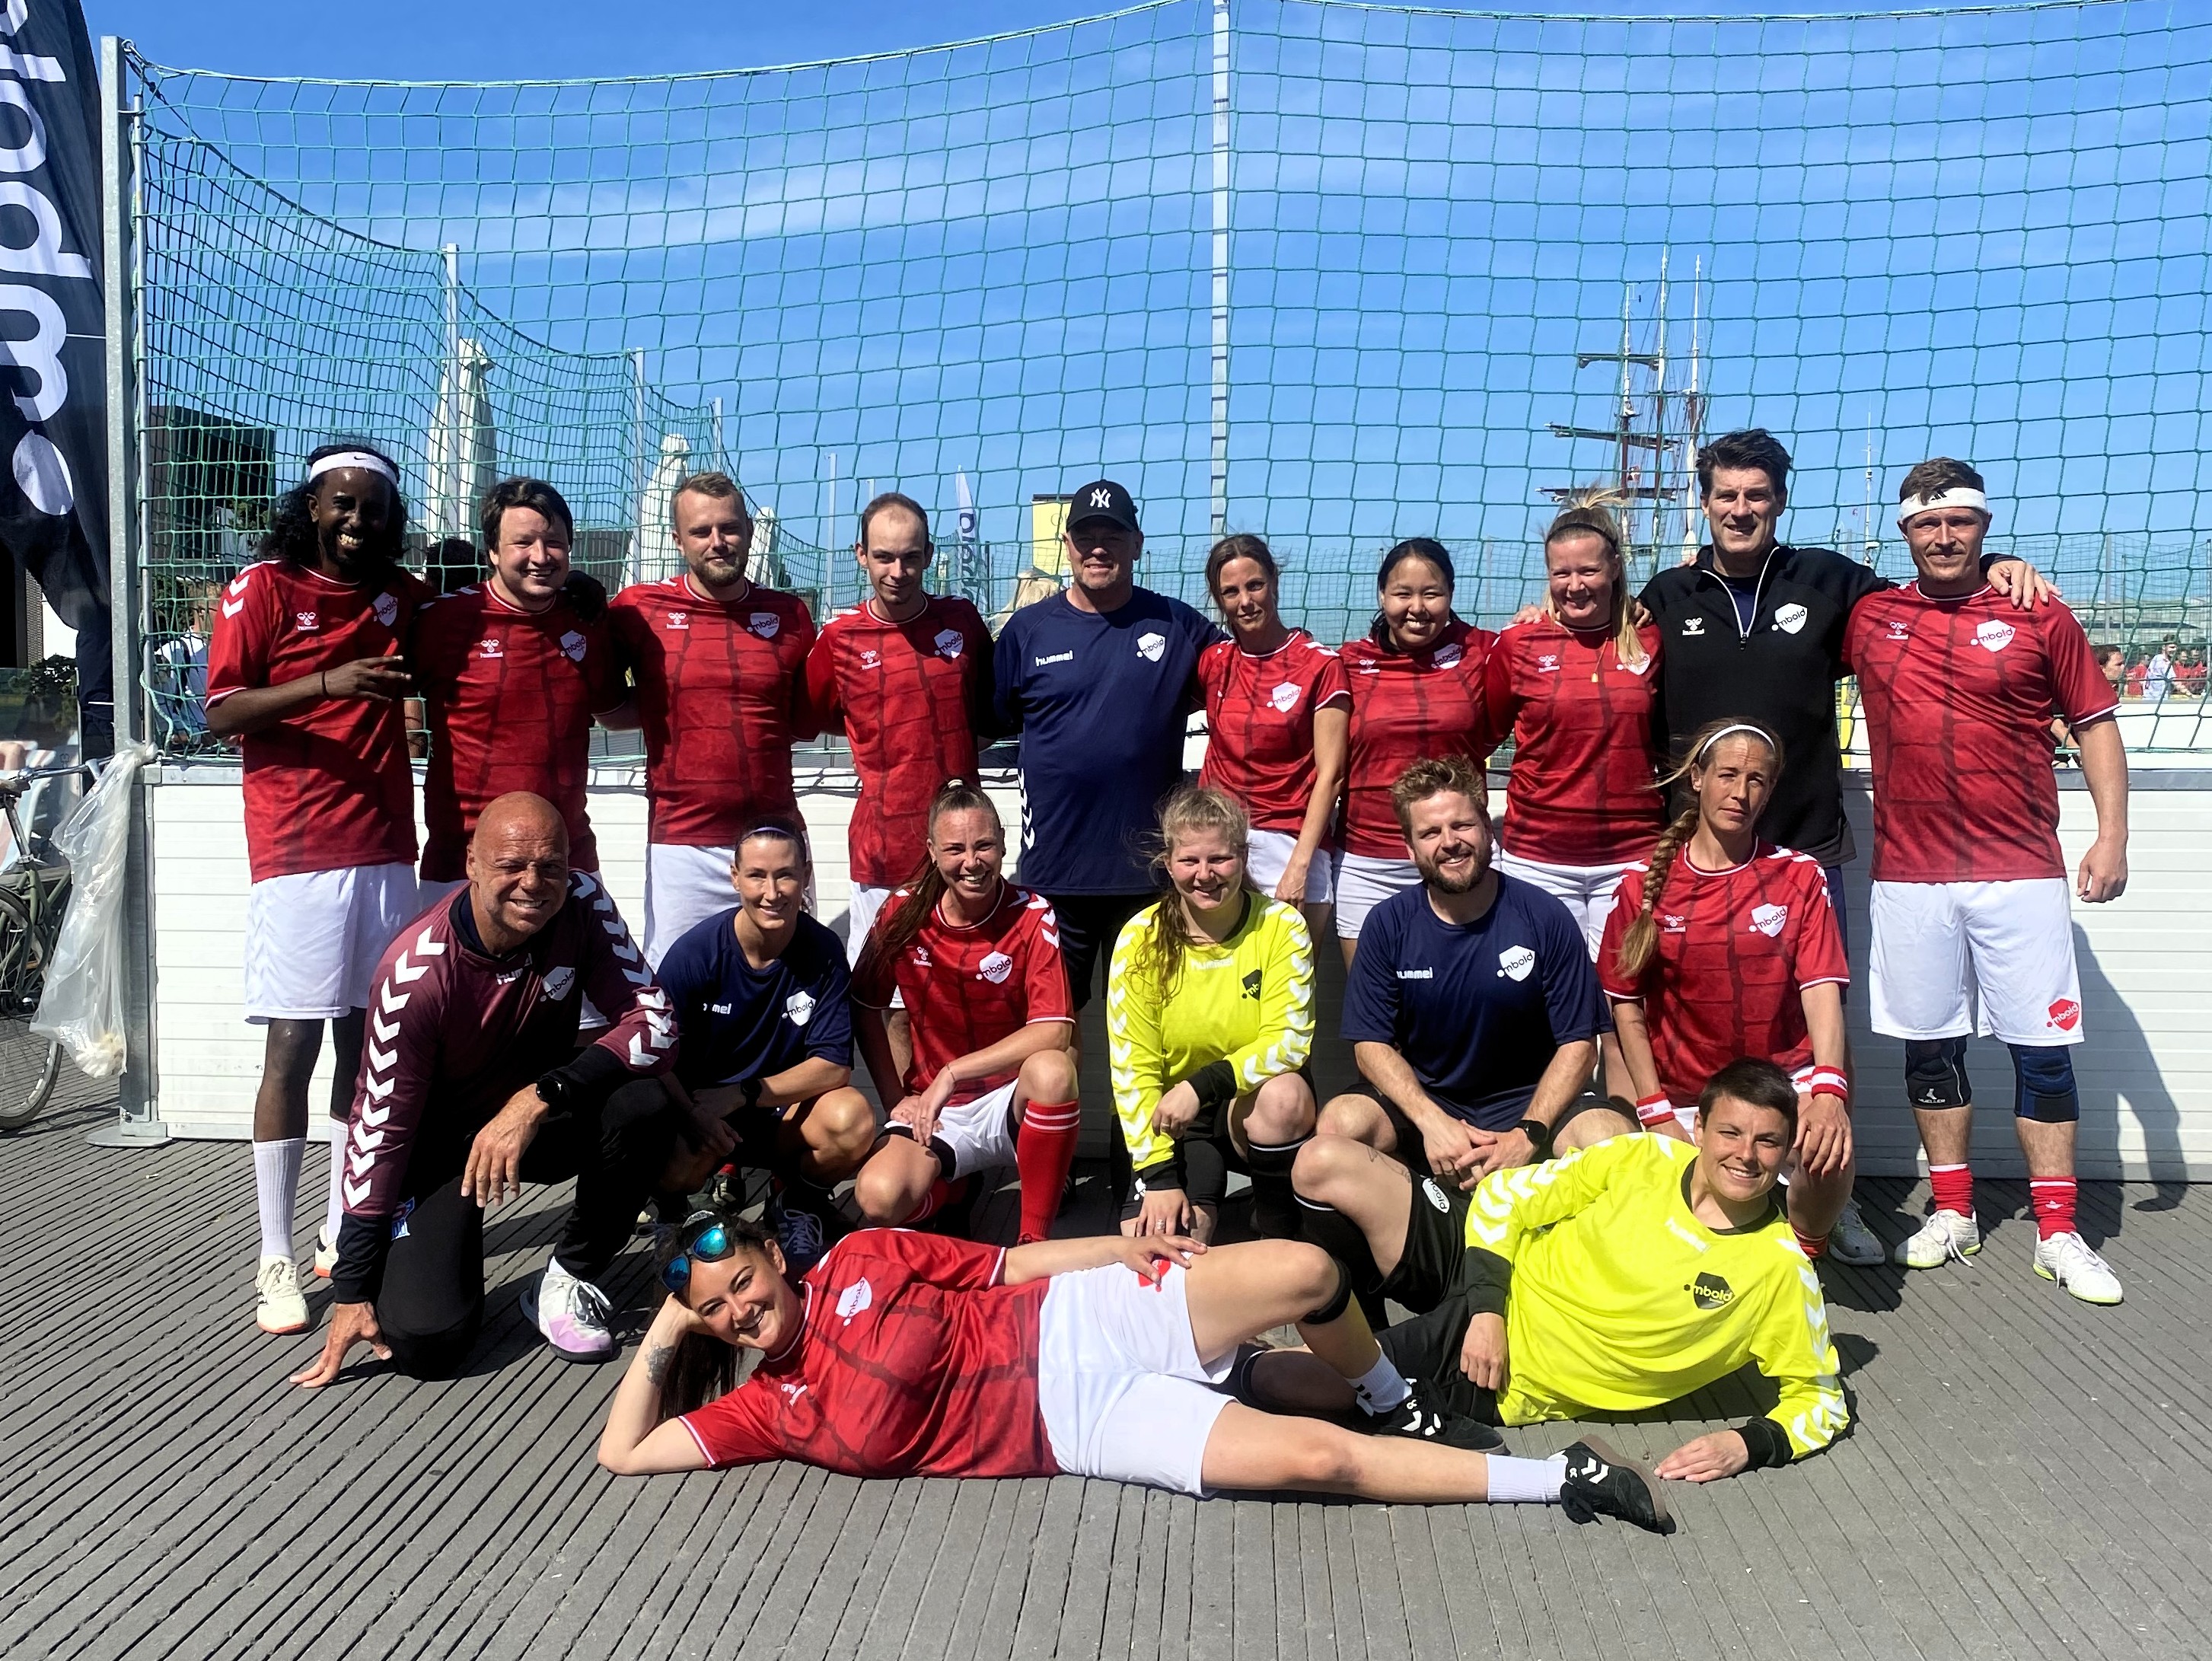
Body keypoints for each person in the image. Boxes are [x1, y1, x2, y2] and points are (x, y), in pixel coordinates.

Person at [593, 1209, 1675, 1531]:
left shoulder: (867, 1255)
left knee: (1304, 1270)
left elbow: (1011, 1263)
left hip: (1079, 1314)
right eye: (716, 1307)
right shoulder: (766, 1408)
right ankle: (1562, 1477)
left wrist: (1121, 1248)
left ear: (774, 1256)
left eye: (742, 1281)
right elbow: (623, 1452)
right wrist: (666, 1327)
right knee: (1314, 1460)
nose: (740, 1308)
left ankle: (1398, 1402)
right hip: (1080, 1426)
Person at [1277, 1060, 1848, 1484]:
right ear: (1698, 1128)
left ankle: (1255, 1363)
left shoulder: (1779, 1267)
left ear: (1787, 1151)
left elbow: (1822, 1403)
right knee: (1325, 1159)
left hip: (1507, 1371)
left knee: (1297, 1382)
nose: (1746, 1155)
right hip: (1487, 1267)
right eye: (1730, 1133)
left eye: (1767, 1142)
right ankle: (1354, 1328)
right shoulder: (1645, 1155)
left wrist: (1748, 1443)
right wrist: (1487, 1309)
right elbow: (1503, 1196)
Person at [1845, 460, 2130, 1304]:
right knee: (1930, 1048)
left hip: (2020, 871)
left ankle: (2057, 1230)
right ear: (1905, 531)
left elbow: (2094, 724)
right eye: (1926, 524)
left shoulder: (2036, 610)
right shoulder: (1869, 616)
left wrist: (2111, 835)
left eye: (1960, 522)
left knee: (2042, 1053)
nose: (1944, 537)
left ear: (1984, 525)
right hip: (1910, 877)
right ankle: (1953, 1211)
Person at [292, 793, 693, 1382]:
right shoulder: (415, 974)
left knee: (642, 1102)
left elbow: (658, 1027)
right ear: (472, 866)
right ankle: (434, 1256)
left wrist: (539, 1097)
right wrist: (352, 1285)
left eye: (550, 866)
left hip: (535, 1119)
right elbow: (380, 1130)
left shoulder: (583, 901)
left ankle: (568, 1277)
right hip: (443, 1150)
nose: (533, 883)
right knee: (426, 1345)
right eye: (512, 865)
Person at [1636, 429, 2049, 937]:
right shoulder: (1667, 595)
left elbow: (1927, 599)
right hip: (1695, 851)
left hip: (1805, 850)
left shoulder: (1828, 580)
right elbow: (1602, 631)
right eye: (1727, 495)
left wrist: (1990, 563)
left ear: (1780, 501)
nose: (1740, 510)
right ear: (1705, 503)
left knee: (1820, 991)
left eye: (1757, 495)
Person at [205, 442, 434, 1335]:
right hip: (297, 851)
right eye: (342, 503)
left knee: (365, 1045)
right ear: (311, 506)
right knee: (292, 1045)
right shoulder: (261, 588)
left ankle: (341, 1230)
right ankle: (272, 1252)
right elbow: (222, 710)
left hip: (385, 851)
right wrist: (330, 682)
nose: (356, 520)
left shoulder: (403, 595)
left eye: (373, 508)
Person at [1595, 720, 1882, 1264]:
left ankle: (1805, 1258)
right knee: (1680, 1240)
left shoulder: (1800, 876)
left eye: (1756, 780)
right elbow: (1625, 1009)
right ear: (1697, 779)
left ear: (1769, 792)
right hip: (1687, 1094)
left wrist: (1828, 1093)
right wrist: (1656, 1111)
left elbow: (1822, 991)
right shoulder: (1639, 884)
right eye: (1727, 775)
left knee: (1829, 1154)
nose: (1740, 793)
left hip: (1781, 1080)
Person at [1315, 756, 1612, 1194]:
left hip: (1532, 1106)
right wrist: (1432, 1121)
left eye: (1462, 826)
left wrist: (1527, 1134)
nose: (1450, 843)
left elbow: (1579, 1046)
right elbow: (1370, 1046)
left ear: (1487, 830)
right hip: (1431, 1106)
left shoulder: (1544, 915)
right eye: (1430, 833)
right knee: (1338, 1130)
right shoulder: (1387, 924)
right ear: (1410, 849)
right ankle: (1410, 1226)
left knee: (1607, 1139)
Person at [990, 480, 1222, 1009]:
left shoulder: (1179, 625)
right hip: (1053, 877)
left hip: (1149, 876)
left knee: (1146, 1026)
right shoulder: (1027, 632)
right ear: (1067, 545)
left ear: (1137, 544)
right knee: (1054, 1029)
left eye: (1112, 537)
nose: (1098, 549)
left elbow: (1247, 678)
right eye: (1086, 537)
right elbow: (986, 725)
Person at [847, 783, 1079, 1243]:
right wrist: (894, 1097)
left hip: (1010, 1099)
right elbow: (865, 1005)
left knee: (1055, 1070)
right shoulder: (901, 912)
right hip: (937, 1109)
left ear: (1003, 844)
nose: (971, 862)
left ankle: (1032, 1241)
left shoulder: (1033, 912)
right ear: (932, 851)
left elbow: (1054, 1031)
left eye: (983, 845)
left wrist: (952, 1072)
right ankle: (954, 1187)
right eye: (955, 849)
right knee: (877, 1197)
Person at [605, 472, 818, 967]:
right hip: (684, 844)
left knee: (792, 979)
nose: (718, 542)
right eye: (701, 531)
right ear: (678, 540)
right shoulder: (638, 610)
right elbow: (607, 706)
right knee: (678, 984)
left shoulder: (790, 614)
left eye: (729, 528)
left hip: (777, 838)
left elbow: (802, 719)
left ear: (748, 531)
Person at [652, 821, 875, 1269]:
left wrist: (744, 1093)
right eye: (757, 876)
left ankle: (796, 1202)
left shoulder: (824, 951)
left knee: (852, 1118)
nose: (772, 892)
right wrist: (693, 1115)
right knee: (665, 1157)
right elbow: (656, 1060)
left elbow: (833, 1066)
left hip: (776, 1113)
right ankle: (674, 1214)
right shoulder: (694, 955)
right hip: (705, 1117)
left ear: (806, 876)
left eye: (785, 875)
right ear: (735, 878)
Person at [1106, 786, 1318, 1243]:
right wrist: (1160, 1176)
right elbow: (1132, 1068)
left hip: (1245, 1108)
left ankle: (1279, 1233)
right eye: (1190, 861)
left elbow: (1290, 1041)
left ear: (1243, 857)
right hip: (1172, 1120)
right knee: (1168, 1245)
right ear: (1168, 863)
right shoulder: (1139, 938)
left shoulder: (1282, 926)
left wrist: (1200, 1086)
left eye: (1220, 859)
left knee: (1286, 1096)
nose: (1205, 875)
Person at [412, 477, 626, 902]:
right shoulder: (440, 621)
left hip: (568, 858)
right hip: (464, 864)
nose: (541, 557)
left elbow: (616, 711)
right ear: (492, 551)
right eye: (523, 543)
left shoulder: (587, 618)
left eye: (554, 543)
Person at [805, 492, 994, 964]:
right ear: (861, 555)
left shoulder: (962, 621)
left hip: (961, 851)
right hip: (883, 851)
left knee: (961, 980)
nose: (897, 571)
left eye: (910, 557)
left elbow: (989, 712)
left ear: (928, 555)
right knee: (878, 987)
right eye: (884, 557)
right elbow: (811, 718)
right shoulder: (840, 639)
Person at [1481, 499, 1662, 961]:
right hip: (1537, 857)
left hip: (1632, 855)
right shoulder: (1519, 642)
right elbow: (1478, 737)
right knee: (1545, 996)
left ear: (1615, 568)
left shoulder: (1651, 637)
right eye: (1561, 573)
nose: (1575, 586)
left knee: (1624, 995)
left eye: (1589, 571)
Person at [1335, 539, 1495, 962]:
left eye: (1432, 593)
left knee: (1464, 991)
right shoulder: (1347, 662)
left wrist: (1540, 613)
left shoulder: (1485, 651)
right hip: (1368, 860)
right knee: (1375, 997)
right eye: (1403, 594)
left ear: (1451, 594)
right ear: (1382, 595)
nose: (1417, 608)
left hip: (1457, 854)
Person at [1194, 533, 1349, 917]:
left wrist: (1299, 865)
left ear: (1274, 582)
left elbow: (1332, 775)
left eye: (1255, 585)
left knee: (1290, 959)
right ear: (1219, 599)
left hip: (1291, 844)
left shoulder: (1321, 665)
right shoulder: (1214, 662)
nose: (1245, 602)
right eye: (1231, 592)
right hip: (1220, 843)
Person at [2142, 637, 2176, 703]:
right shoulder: (2163, 661)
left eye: (2176, 648)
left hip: (2150, 698)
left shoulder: (2157, 658)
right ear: (2164, 647)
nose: (2174, 650)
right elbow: (2175, 682)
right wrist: (2190, 694)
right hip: (2157, 700)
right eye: (2172, 647)